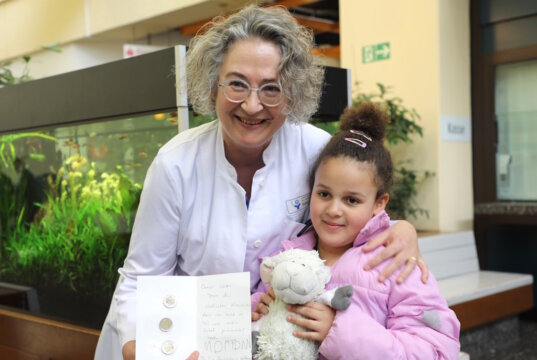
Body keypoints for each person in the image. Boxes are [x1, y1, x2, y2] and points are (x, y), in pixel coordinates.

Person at [94, 5, 428, 360]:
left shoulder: (315, 152)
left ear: (292, 93)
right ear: (213, 86)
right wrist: (142, 350)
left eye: (271, 89)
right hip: (181, 340)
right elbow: (139, 281)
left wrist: (402, 229)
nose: (252, 106)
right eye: (237, 84)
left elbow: (362, 214)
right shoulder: (175, 165)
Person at [251, 103, 460, 359]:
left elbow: (437, 350)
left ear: (379, 203)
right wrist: (258, 309)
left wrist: (338, 329)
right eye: (324, 194)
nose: (333, 210)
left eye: (351, 200)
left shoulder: (397, 263)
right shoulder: (288, 255)